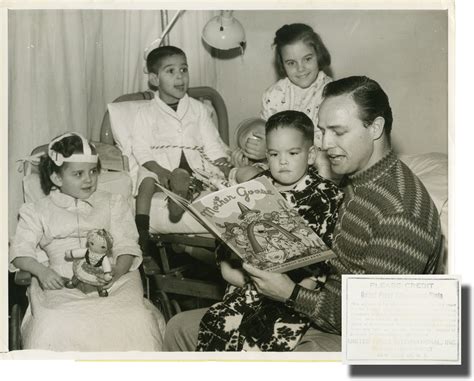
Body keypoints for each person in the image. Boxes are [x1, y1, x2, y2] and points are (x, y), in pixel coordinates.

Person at [164, 76, 444, 352]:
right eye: (323, 131)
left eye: (339, 131)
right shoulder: (357, 178)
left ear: (375, 128)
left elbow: (370, 319)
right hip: (314, 308)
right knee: (178, 329)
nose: (325, 144)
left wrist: (289, 293)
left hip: (357, 336)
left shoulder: (401, 212)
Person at [164, 111, 344, 351]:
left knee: (262, 340)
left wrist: (310, 280)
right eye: (273, 154)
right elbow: (231, 240)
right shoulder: (254, 187)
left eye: (292, 153)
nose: (282, 162)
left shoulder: (326, 195)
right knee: (218, 328)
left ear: (310, 155)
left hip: (292, 294)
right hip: (246, 287)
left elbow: (326, 248)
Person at [10, 132, 165, 351]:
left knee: (134, 317)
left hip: (112, 274)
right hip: (60, 279)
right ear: (57, 178)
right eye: (78, 174)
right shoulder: (37, 210)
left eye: (93, 172)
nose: (89, 179)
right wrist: (41, 272)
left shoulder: (113, 203)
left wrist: (117, 272)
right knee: (55, 321)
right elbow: (20, 251)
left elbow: (126, 244)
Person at [132, 46, 230, 252]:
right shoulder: (146, 113)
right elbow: (141, 150)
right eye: (171, 71)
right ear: (154, 79)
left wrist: (222, 163)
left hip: (194, 170)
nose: (180, 77)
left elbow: (212, 142)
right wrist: (161, 172)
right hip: (160, 168)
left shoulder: (198, 108)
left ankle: (180, 198)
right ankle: (141, 233)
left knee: (200, 179)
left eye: (184, 70)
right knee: (146, 179)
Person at [232, 23, 334, 182]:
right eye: (291, 63)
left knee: (323, 166)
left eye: (307, 59)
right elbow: (265, 135)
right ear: (282, 63)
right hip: (279, 166)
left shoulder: (332, 94)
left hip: (313, 169)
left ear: (318, 55)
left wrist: (270, 150)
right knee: (241, 173)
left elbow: (328, 146)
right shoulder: (274, 94)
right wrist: (253, 153)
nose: (301, 69)